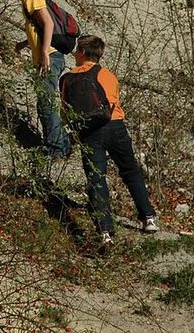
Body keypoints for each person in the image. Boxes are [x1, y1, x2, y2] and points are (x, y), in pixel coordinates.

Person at [60, 35, 158, 244]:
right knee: (131, 172)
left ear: (82, 52)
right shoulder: (108, 75)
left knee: (96, 179)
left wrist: (72, 131)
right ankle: (148, 218)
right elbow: (113, 101)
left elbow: (65, 110)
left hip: (89, 132)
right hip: (115, 126)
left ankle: (105, 232)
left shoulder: (67, 78)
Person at [0, 0, 71, 159]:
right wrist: (23, 44)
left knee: (46, 105)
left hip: (50, 58)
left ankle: (56, 150)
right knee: (44, 104)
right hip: (44, 58)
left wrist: (45, 53)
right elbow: (37, 28)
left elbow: (48, 23)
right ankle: (63, 144)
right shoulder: (27, 2)